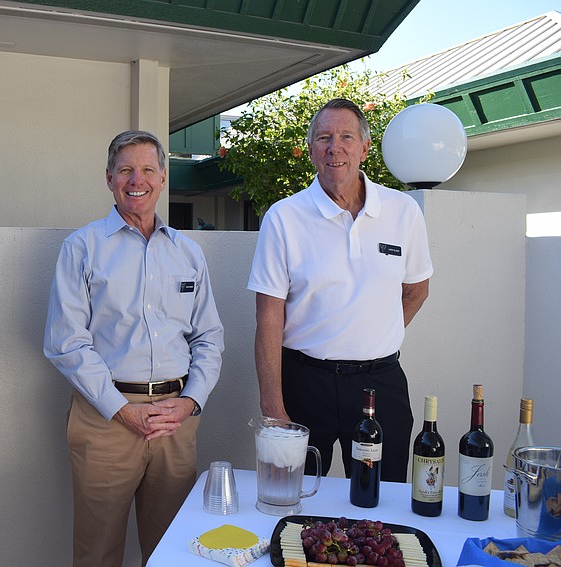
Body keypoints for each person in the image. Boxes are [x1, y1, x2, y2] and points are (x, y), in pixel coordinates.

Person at [44, 130, 224, 567]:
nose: (135, 179)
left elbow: (208, 338)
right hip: (106, 419)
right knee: (97, 552)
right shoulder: (82, 248)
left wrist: (190, 402)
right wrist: (121, 410)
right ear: (109, 179)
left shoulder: (188, 254)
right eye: (125, 170)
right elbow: (66, 341)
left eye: (147, 169)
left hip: (174, 422)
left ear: (163, 178)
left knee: (172, 552)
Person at [248, 98, 433, 483]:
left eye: (346, 136)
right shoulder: (284, 217)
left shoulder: (403, 212)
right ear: (312, 149)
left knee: (383, 502)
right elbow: (268, 316)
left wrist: (376, 333)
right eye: (324, 138)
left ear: (364, 147)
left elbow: (416, 289)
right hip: (303, 384)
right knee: (292, 494)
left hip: (380, 386)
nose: (335, 147)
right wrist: (273, 408)